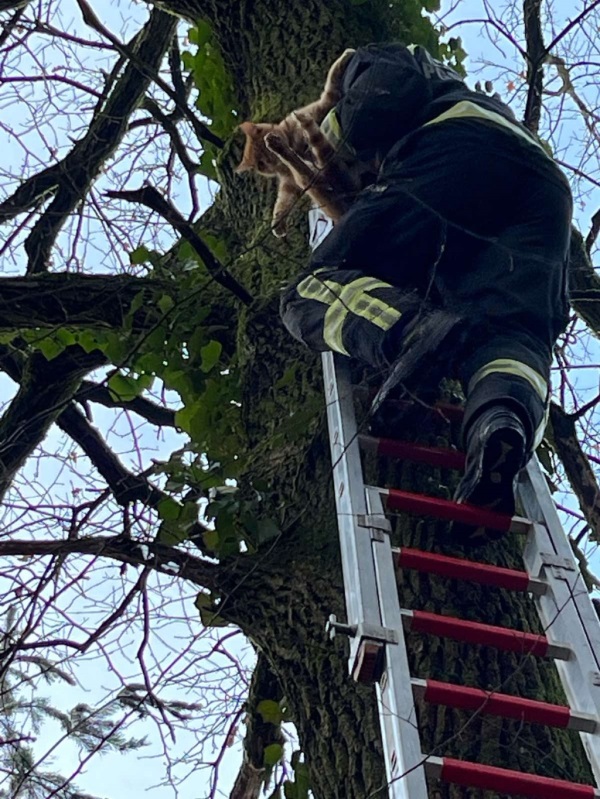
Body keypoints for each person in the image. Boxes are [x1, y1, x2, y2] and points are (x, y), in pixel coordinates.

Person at [280, 43, 573, 546]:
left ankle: (411, 332)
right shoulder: (474, 98)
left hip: (457, 155)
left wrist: (326, 135)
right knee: (512, 335)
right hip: (545, 192)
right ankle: (499, 425)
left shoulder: (376, 60)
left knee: (311, 289)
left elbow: (379, 106)